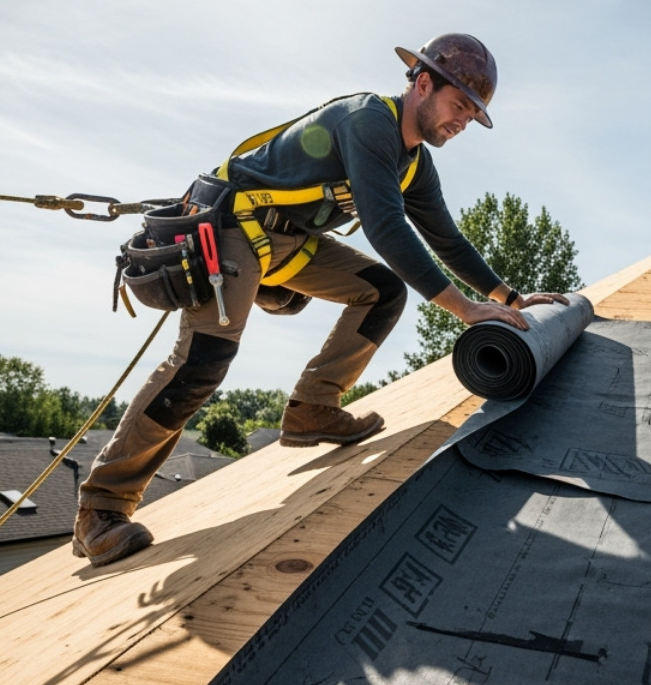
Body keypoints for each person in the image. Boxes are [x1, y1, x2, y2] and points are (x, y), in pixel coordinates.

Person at [73, 33, 569, 565]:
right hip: (233, 224)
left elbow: (444, 237)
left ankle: (314, 406)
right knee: (203, 360)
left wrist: (508, 297)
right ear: (423, 84)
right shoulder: (368, 122)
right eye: (459, 107)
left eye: (472, 117)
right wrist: (466, 309)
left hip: (283, 240)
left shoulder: (415, 164)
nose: (462, 123)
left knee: (380, 292)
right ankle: (100, 508)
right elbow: (386, 227)